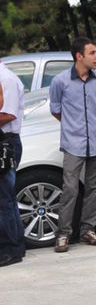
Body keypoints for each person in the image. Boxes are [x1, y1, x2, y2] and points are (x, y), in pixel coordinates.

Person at [49, 37, 96, 253]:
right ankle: (63, 234)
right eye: (92, 53)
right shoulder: (60, 81)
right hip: (73, 143)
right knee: (70, 189)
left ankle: (87, 230)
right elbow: (56, 110)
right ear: (79, 56)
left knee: (94, 188)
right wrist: (72, 126)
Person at [0, 59, 25, 267]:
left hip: (6, 143)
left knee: (4, 199)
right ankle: (15, 245)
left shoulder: (5, 78)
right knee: (6, 197)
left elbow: (8, 115)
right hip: (4, 141)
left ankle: (11, 249)